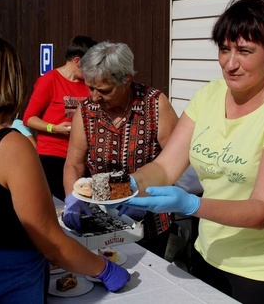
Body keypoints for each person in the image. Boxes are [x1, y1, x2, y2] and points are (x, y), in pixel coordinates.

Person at [122, 0, 264, 304]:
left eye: (244, 51)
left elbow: (263, 209)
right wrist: (123, 186)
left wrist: (190, 205)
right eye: (224, 49)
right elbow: (165, 167)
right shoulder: (209, 95)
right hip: (208, 253)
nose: (230, 62)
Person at [0, 36, 129, 303]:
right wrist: (105, 269)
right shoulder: (11, 146)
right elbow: (52, 244)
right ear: (10, 83)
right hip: (1, 285)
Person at [62, 41, 179, 257]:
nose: (95, 97)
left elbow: (177, 161)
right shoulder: (87, 111)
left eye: (104, 90)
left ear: (127, 79)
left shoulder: (154, 105)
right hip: (101, 222)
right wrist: (72, 198)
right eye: (90, 87)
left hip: (150, 223)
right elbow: (74, 164)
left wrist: (143, 195)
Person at [22, 35, 97, 200]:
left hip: (82, 157)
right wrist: (54, 128)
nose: (93, 70)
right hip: (53, 155)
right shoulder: (49, 80)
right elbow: (28, 118)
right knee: (66, 203)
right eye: (91, 65)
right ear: (78, 61)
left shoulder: (89, 85)